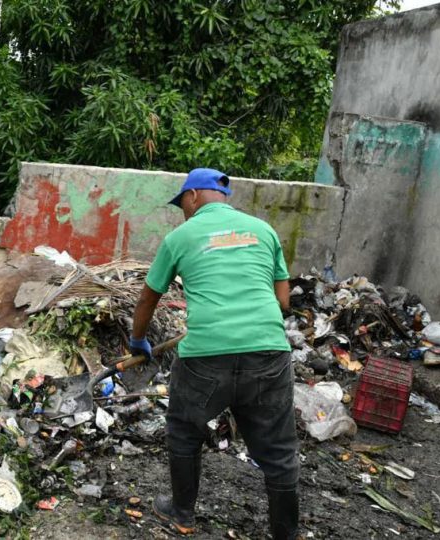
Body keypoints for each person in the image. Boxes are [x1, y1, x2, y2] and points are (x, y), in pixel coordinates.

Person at [129, 168, 299, 539]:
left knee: (184, 433)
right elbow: (283, 302)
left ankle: (182, 514)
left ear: (192, 196)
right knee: (280, 452)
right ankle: (285, 534)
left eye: (182, 204)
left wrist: (138, 340)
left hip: (206, 356)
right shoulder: (264, 231)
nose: (183, 211)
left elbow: (147, 297)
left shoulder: (181, 236)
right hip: (268, 352)